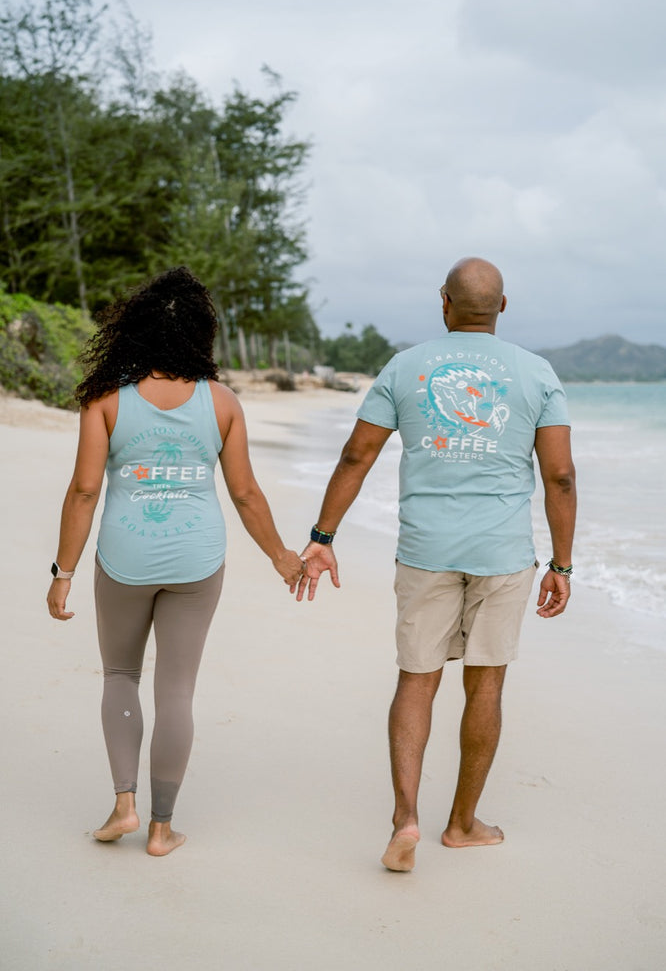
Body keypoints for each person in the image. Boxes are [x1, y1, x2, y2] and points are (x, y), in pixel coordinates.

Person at [295, 257, 576, 872]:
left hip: (425, 550)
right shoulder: (537, 373)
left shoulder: (406, 365)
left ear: (443, 302)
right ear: (502, 307)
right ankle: (462, 824)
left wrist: (323, 535)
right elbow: (559, 475)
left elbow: (355, 454)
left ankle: (405, 818)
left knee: (416, 680)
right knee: (487, 683)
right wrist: (563, 562)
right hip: (502, 554)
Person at [47, 266, 305, 857]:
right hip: (196, 559)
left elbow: (85, 491)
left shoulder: (106, 399)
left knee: (119, 676)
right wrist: (282, 557)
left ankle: (124, 805)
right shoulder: (222, 403)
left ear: (133, 331)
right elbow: (245, 493)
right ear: (200, 334)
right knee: (177, 691)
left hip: (122, 557)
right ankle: (163, 829)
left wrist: (62, 574)